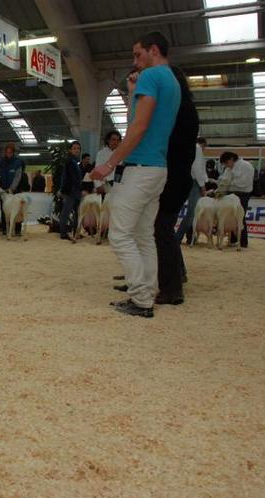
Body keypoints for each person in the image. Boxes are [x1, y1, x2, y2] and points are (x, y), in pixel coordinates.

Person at [90, 31, 181, 318]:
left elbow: (137, 128)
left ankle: (141, 298)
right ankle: (146, 292)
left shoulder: (152, 77)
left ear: (153, 50)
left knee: (119, 234)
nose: (135, 61)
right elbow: (144, 122)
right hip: (157, 168)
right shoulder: (173, 81)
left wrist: (109, 164)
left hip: (140, 169)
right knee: (144, 235)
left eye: (137, 54)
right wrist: (132, 94)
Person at [155, 66, 198, 306]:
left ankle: (172, 288)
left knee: (162, 230)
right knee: (164, 230)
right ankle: (175, 278)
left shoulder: (178, 109)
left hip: (173, 177)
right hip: (178, 177)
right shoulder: (186, 107)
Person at [217, 151, 254, 248]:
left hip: (242, 194)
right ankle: (232, 240)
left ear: (231, 159)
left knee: (240, 217)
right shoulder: (228, 168)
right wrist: (220, 190)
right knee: (230, 218)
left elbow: (244, 183)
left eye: (226, 163)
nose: (226, 166)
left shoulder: (246, 166)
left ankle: (243, 242)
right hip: (229, 194)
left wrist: (229, 183)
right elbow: (223, 181)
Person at [175, 137, 208, 244]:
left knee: (187, 211)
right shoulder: (197, 149)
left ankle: (188, 238)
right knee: (193, 212)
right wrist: (203, 186)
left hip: (183, 180)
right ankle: (178, 237)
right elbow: (197, 169)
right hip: (194, 182)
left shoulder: (186, 148)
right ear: (203, 144)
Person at [0, 142, 25, 234]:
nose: (8, 154)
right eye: (7, 152)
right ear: (5, 152)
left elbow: (18, 177)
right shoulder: (1, 162)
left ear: (13, 153)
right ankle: (5, 228)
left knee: (17, 210)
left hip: (15, 190)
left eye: (10, 152)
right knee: (4, 209)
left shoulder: (18, 162)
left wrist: (12, 188)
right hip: (3, 190)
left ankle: (17, 229)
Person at [58, 141, 83, 241]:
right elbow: (69, 178)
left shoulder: (75, 161)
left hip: (74, 191)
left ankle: (75, 232)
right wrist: (63, 190)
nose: (77, 150)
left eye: (78, 148)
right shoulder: (70, 162)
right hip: (70, 191)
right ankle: (63, 233)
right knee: (66, 212)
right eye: (74, 148)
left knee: (76, 213)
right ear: (70, 150)